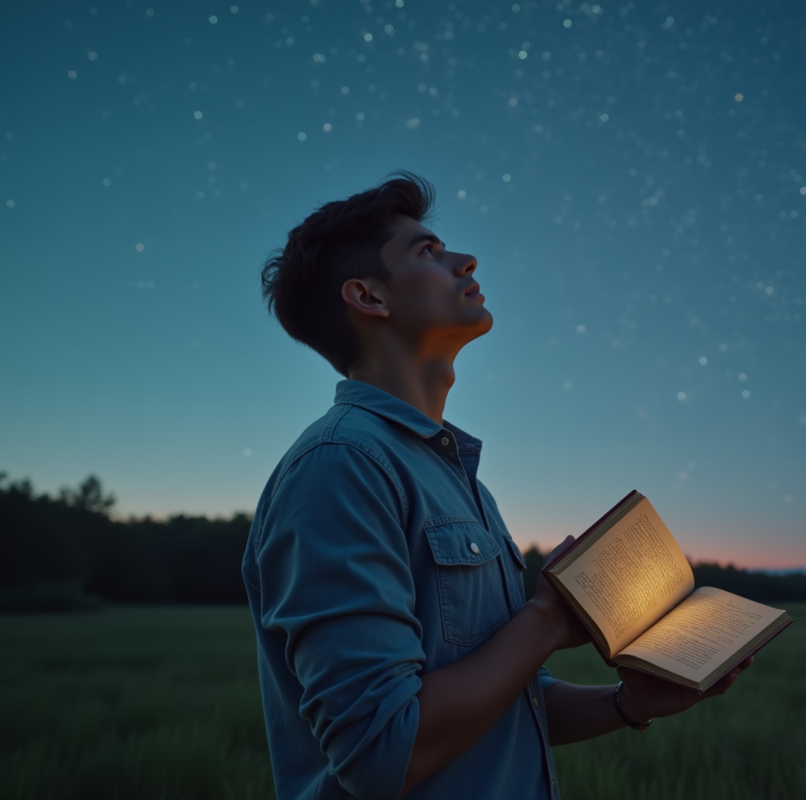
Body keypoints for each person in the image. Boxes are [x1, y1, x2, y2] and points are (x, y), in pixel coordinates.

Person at [242, 172, 753, 800]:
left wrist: (628, 702)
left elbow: (508, 703)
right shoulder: (341, 466)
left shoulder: (462, 482)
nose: (465, 259)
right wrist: (546, 617)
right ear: (369, 297)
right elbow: (383, 750)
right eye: (426, 251)